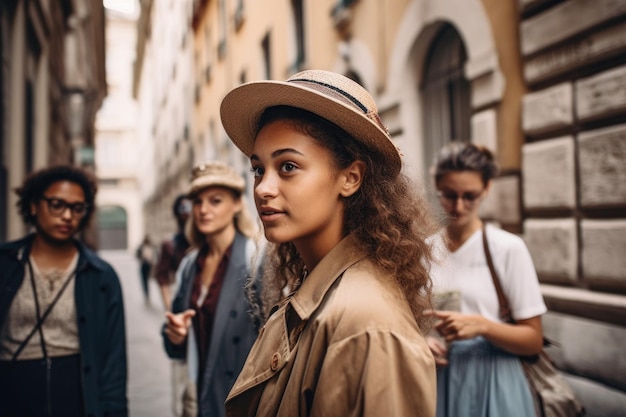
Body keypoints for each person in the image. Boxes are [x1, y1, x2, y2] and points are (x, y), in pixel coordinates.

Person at [218, 69, 437, 416]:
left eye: (288, 166)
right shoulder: (319, 288)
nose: (263, 188)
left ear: (350, 177)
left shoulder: (366, 323)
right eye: (258, 169)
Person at [426, 142, 547, 417]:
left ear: (487, 189)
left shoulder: (507, 248)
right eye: (449, 195)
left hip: (495, 378)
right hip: (438, 379)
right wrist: (420, 341)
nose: (458, 206)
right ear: (437, 188)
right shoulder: (424, 250)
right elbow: (407, 320)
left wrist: (483, 326)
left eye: (470, 196)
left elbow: (533, 340)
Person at [0, 165, 127, 417]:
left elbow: (114, 363)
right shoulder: (5, 264)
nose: (68, 215)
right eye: (57, 204)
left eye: (77, 208)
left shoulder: (101, 275)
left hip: (76, 393)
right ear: (34, 205)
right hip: (13, 392)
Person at [162, 161, 261, 417]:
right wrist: (175, 334)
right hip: (198, 398)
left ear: (237, 204)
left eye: (215, 201)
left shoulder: (257, 260)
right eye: (197, 202)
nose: (203, 210)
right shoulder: (189, 264)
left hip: (242, 401)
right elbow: (174, 338)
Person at [155, 195, 191, 311]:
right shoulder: (171, 245)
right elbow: (162, 277)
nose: (188, 212)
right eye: (183, 208)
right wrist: (169, 310)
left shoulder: (209, 241)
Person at [136, 234, 156, 303]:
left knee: (146, 281)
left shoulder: (150, 247)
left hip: (148, 265)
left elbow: (154, 256)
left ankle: (147, 293)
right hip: (145, 265)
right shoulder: (142, 247)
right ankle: (146, 293)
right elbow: (137, 255)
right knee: (145, 281)